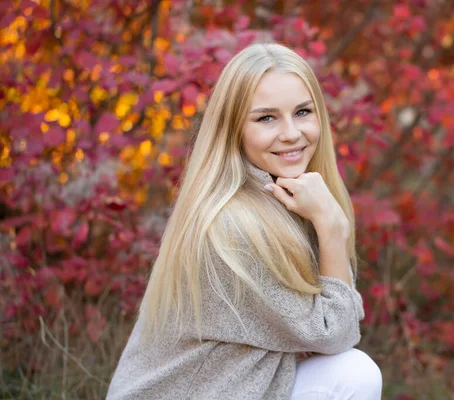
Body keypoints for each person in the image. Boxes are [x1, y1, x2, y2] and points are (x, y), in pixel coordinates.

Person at [107, 42, 382, 400]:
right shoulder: (231, 226)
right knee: (353, 373)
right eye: (266, 118)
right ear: (233, 129)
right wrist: (332, 228)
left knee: (351, 373)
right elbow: (334, 332)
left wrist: (326, 222)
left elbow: (342, 311)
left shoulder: (294, 198)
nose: (291, 133)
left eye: (302, 112)